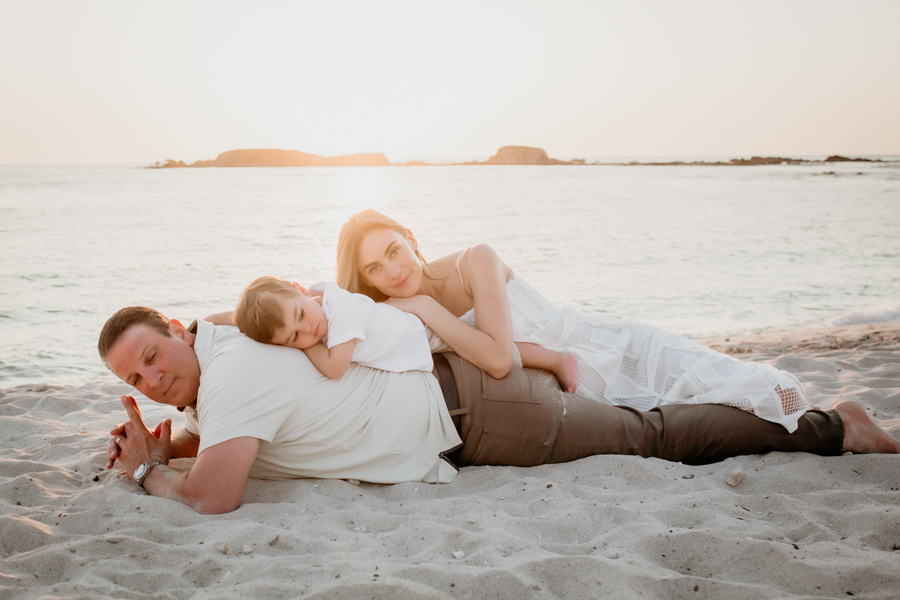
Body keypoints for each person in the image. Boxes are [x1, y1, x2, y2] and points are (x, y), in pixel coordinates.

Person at [100, 305, 899, 515]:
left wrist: (146, 473)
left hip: (483, 415)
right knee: (638, 416)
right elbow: (263, 434)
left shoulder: (233, 374)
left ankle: (834, 428)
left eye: (153, 355)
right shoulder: (231, 352)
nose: (154, 377)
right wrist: (170, 449)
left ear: (176, 329)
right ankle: (823, 422)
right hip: (467, 401)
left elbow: (216, 497)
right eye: (137, 378)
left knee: (653, 438)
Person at [336, 210, 808, 432]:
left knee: (759, 391)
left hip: (613, 346)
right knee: (706, 420)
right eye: (374, 269)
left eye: (394, 250)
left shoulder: (474, 260)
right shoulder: (396, 316)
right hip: (569, 385)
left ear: (411, 237)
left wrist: (426, 307)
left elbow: (498, 358)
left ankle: (836, 422)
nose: (393, 272)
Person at [214, 275, 434, 378]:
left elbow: (335, 369)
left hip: (421, 333)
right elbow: (234, 318)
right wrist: (208, 322)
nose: (307, 329)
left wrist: (303, 346)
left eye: (300, 314)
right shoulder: (306, 304)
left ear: (301, 289)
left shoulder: (340, 309)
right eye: (294, 336)